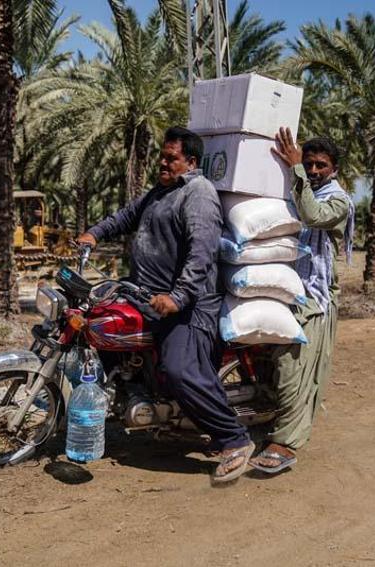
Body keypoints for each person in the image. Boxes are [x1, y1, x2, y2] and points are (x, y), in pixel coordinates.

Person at [77, 126, 255, 484]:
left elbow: (201, 252)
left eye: (171, 157)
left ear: (190, 161)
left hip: (189, 306)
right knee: (106, 333)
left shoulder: (198, 193)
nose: (163, 161)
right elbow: (125, 217)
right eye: (162, 155)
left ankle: (234, 440)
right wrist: (94, 233)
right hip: (146, 298)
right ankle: (143, 401)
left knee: (178, 369)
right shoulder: (160, 192)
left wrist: (178, 297)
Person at [249, 127, 354, 475]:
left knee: (297, 369)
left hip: (316, 298)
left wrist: (294, 170)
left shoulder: (338, 200)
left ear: (334, 168)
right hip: (287, 289)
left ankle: (286, 443)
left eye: (320, 165)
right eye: (307, 164)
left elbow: (315, 217)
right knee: (270, 363)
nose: (312, 170)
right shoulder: (297, 193)